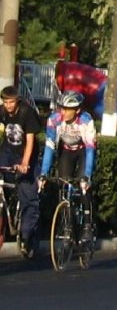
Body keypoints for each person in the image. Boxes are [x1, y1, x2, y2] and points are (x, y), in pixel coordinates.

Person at [41, 90, 97, 243]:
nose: (63, 112)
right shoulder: (54, 120)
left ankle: (86, 224)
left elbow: (91, 149)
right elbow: (49, 147)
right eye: (61, 108)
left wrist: (87, 174)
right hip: (66, 151)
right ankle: (67, 223)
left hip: (83, 152)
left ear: (77, 110)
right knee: (64, 184)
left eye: (67, 109)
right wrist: (44, 173)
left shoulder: (86, 121)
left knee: (82, 184)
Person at [0, 86, 43, 256]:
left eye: (11, 102)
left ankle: (27, 236)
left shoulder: (27, 112)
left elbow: (30, 140)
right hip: (7, 153)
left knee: (28, 197)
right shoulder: (2, 111)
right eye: (5, 102)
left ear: (17, 101)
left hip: (26, 156)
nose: (8, 106)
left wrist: (25, 164)